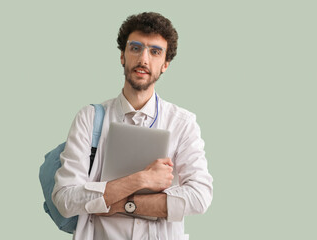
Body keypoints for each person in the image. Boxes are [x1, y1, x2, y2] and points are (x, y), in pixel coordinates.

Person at [52, 12, 213, 240]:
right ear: (122, 56)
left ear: (165, 64)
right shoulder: (89, 118)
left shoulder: (183, 123)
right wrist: (143, 179)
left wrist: (120, 204)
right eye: (135, 48)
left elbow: (200, 196)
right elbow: (65, 199)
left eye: (155, 52)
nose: (144, 59)